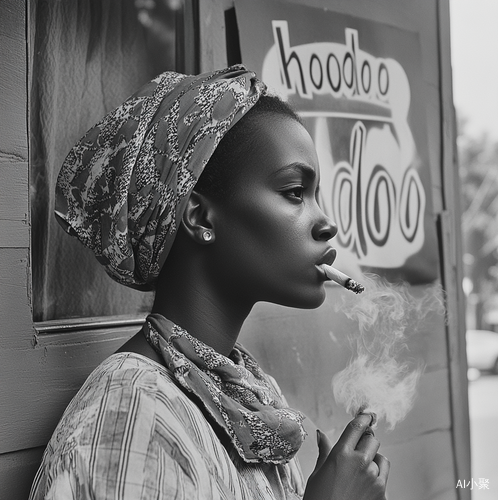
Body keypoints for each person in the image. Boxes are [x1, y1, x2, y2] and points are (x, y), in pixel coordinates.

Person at [30, 65, 389, 500]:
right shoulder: (133, 413)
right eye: (295, 191)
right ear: (200, 217)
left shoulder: (249, 394)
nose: (326, 223)